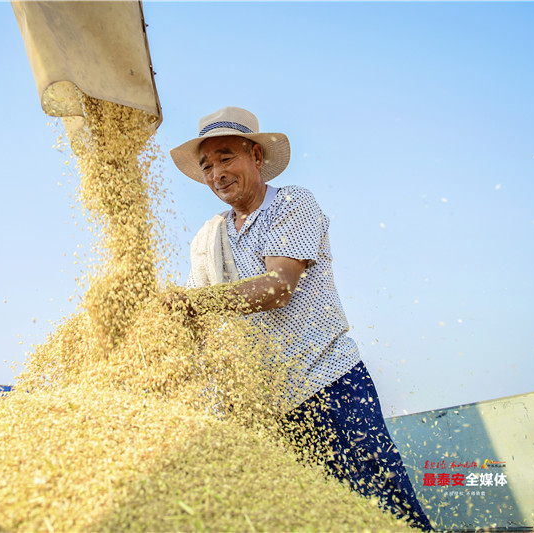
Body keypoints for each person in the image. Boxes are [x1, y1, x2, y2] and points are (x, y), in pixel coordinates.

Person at [167, 106, 433, 531]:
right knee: (315, 518)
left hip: (329, 383)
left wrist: (194, 304)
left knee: (384, 506)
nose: (217, 173)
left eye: (226, 157)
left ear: (255, 155)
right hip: (269, 407)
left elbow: (278, 286)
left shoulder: (291, 203)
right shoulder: (208, 238)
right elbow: (199, 317)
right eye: (207, 166)